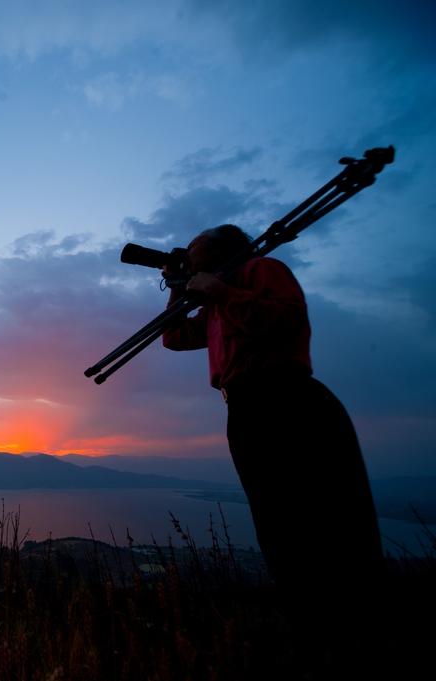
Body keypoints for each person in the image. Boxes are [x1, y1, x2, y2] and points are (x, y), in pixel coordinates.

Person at [160, 224, 384, 594]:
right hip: (246, 410)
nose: (185, 253)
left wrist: (221, 291)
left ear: (219, 251)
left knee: (322, 512)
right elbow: (174, 337)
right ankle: (305, 606)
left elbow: (288, 321)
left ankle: (356, 607)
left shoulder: (259, 270)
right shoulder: (214, 306)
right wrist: (178, 288)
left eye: (192, 247)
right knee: (274, 516)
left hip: (286, 399)